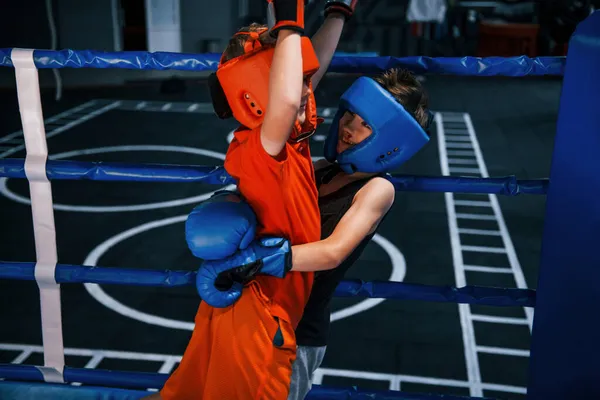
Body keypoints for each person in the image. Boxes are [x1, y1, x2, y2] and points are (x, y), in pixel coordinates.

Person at [147, 0, 357, 399]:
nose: (304, 92)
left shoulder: (288, 140)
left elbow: (305, 77)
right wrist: (290, 19)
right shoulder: (265, 146)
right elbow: (285, 99)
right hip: (259, 314)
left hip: (265, 305)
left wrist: (337, 12)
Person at [195, 68, 432, 399]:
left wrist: (261, 258)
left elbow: (333, 252)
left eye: (366, 125)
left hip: (298, 330)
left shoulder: (377, 189)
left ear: (391, 143)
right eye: (351, 115)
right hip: (255, 310)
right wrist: (232, 203)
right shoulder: (320, 168)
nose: (349, 127)